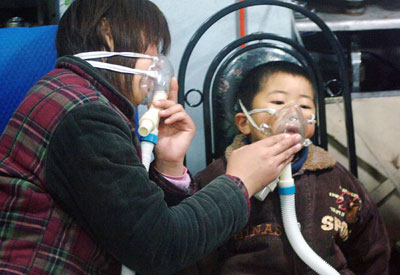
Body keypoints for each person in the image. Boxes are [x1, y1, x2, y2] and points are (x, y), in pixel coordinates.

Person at [0, 1, 303, 274]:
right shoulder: (86, 115)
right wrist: (240, 182)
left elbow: (137, 219)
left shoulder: (74, 94)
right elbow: (159, 247)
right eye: (152, 49)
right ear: (108, 33)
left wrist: (169, 165)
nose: (158, 64)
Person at [161, 61, 391, 274]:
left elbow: (371, 249)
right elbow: (193, 254)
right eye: (279, 102)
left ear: (312, 124)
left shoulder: (337, 180)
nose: (292, 113)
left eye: (304, 105)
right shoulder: (219, 182)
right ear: (244, 122)